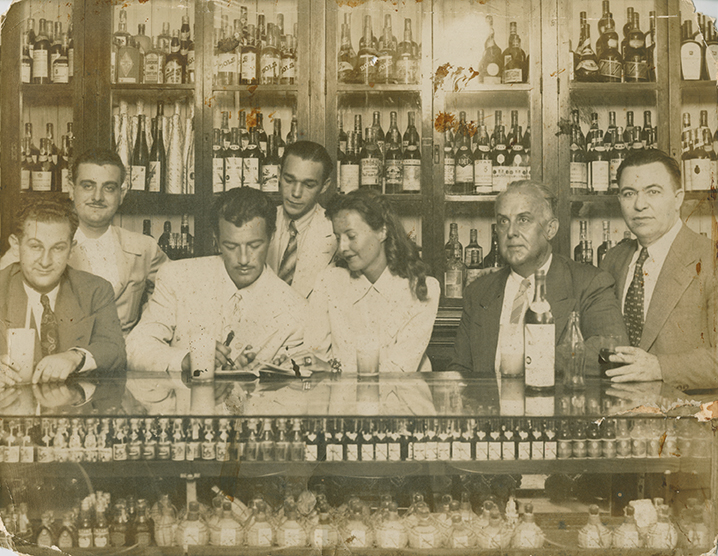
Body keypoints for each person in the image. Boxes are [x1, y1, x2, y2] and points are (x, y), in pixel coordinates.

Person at [450, 181, 628, 376]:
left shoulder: (589, 283)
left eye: (523, 220)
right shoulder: (479, 291)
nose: (511, 232)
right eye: (503, 221)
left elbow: (612, 349)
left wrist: (530, 360)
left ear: (550, 229)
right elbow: (460, 369)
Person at [126, 187, 307, 373]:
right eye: (231, 246)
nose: (243, 259)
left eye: (254, 245)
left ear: (272, 237)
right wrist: (186, 360)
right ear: (216, 239)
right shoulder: (178, 277)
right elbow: (135, 348)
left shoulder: (297, 311)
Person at [1, 149, 168, 335]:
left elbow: (177, 292)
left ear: (122, 193)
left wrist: (147, 331)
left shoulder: (145, 247)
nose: (97, 197)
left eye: (109, 188)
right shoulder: (36, 246)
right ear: (71, 189)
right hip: (57, 357)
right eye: (88, 186)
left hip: (123, 358)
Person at [601, 149, 717, 390]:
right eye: (629, 193)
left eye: (653, 192)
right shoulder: (612, 259)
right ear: (619, 200)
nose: (639, 205)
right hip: (622, 416)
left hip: (688, 419)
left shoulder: (711, 259)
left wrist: (659, 367)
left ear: (678, 199)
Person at [305, 190, 440, 373]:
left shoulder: (422, 288)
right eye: (338, 238)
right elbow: (314, 357)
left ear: (382, 231)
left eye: (351, 236)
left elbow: (399, 371)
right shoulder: (328, 282)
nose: (342, 248)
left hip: (403, 398)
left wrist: (334, 369)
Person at [0, 198, 125, 386]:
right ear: (16, 246)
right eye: (35, 246)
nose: (45, 261)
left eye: (58, 248)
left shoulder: (95, 290)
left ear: (71, 250)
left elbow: (114, 350)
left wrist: (75, 357)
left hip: (71, 409)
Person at [266, 141, 337, 298]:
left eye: (309, 184)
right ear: (278, 174)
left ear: (324, 186)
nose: (296, 193)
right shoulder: (259, 222)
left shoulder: (336, 232)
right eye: (289, 180)